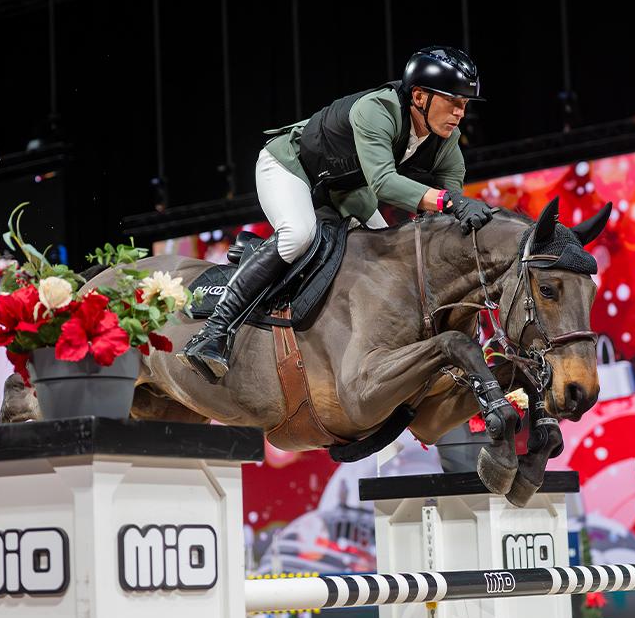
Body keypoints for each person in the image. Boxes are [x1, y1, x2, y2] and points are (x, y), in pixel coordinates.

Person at [181, 45, 497, 381]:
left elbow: (450, 202)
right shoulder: (377, 110)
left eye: (464, 105)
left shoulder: (447, 140)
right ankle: (214, 332)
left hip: (343, 190)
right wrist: (450, 203)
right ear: (419, 97)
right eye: (454, 102)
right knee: (298, 234)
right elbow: (385, 183)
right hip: (291, 167)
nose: (461, 112)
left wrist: (460, 213)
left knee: (386, 248)